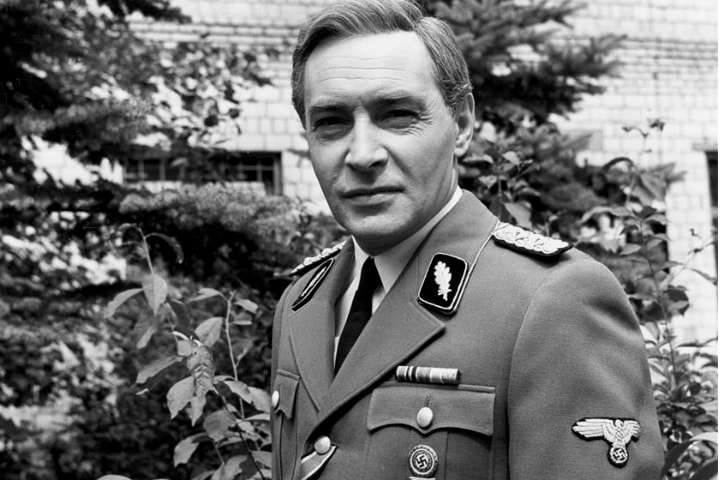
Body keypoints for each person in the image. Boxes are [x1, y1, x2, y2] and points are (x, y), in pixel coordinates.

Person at [270, 0, 663, 479]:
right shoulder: (301, 303)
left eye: (397, 115)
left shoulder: (551, 301)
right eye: (331, 122)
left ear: (462, 126)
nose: (362, 154)